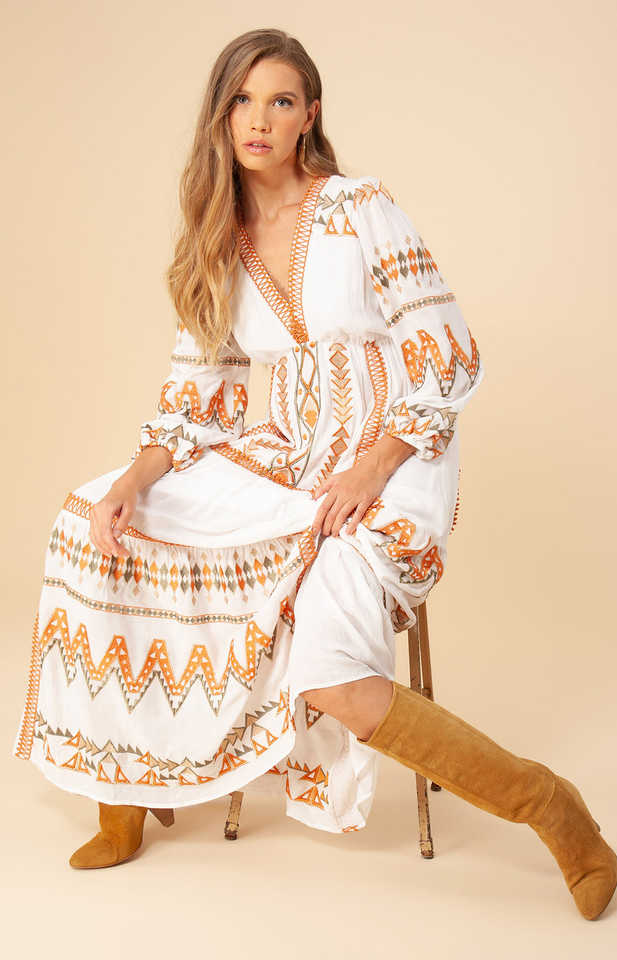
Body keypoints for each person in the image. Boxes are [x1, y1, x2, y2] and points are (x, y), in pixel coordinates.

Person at [12, 27, 616, 920]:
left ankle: (553, 809)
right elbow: (196, 399)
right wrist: (132, 482)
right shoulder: (217, 238)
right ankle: (126, 790)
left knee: (331, 676)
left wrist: (374, 466)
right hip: (289, 456)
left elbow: (447, 351)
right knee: (95, 522)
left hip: (395, 459)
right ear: (220, 116)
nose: (258, 120)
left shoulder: (358, 208)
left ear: (309, 116)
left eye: (280, 101)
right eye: (242, 101)